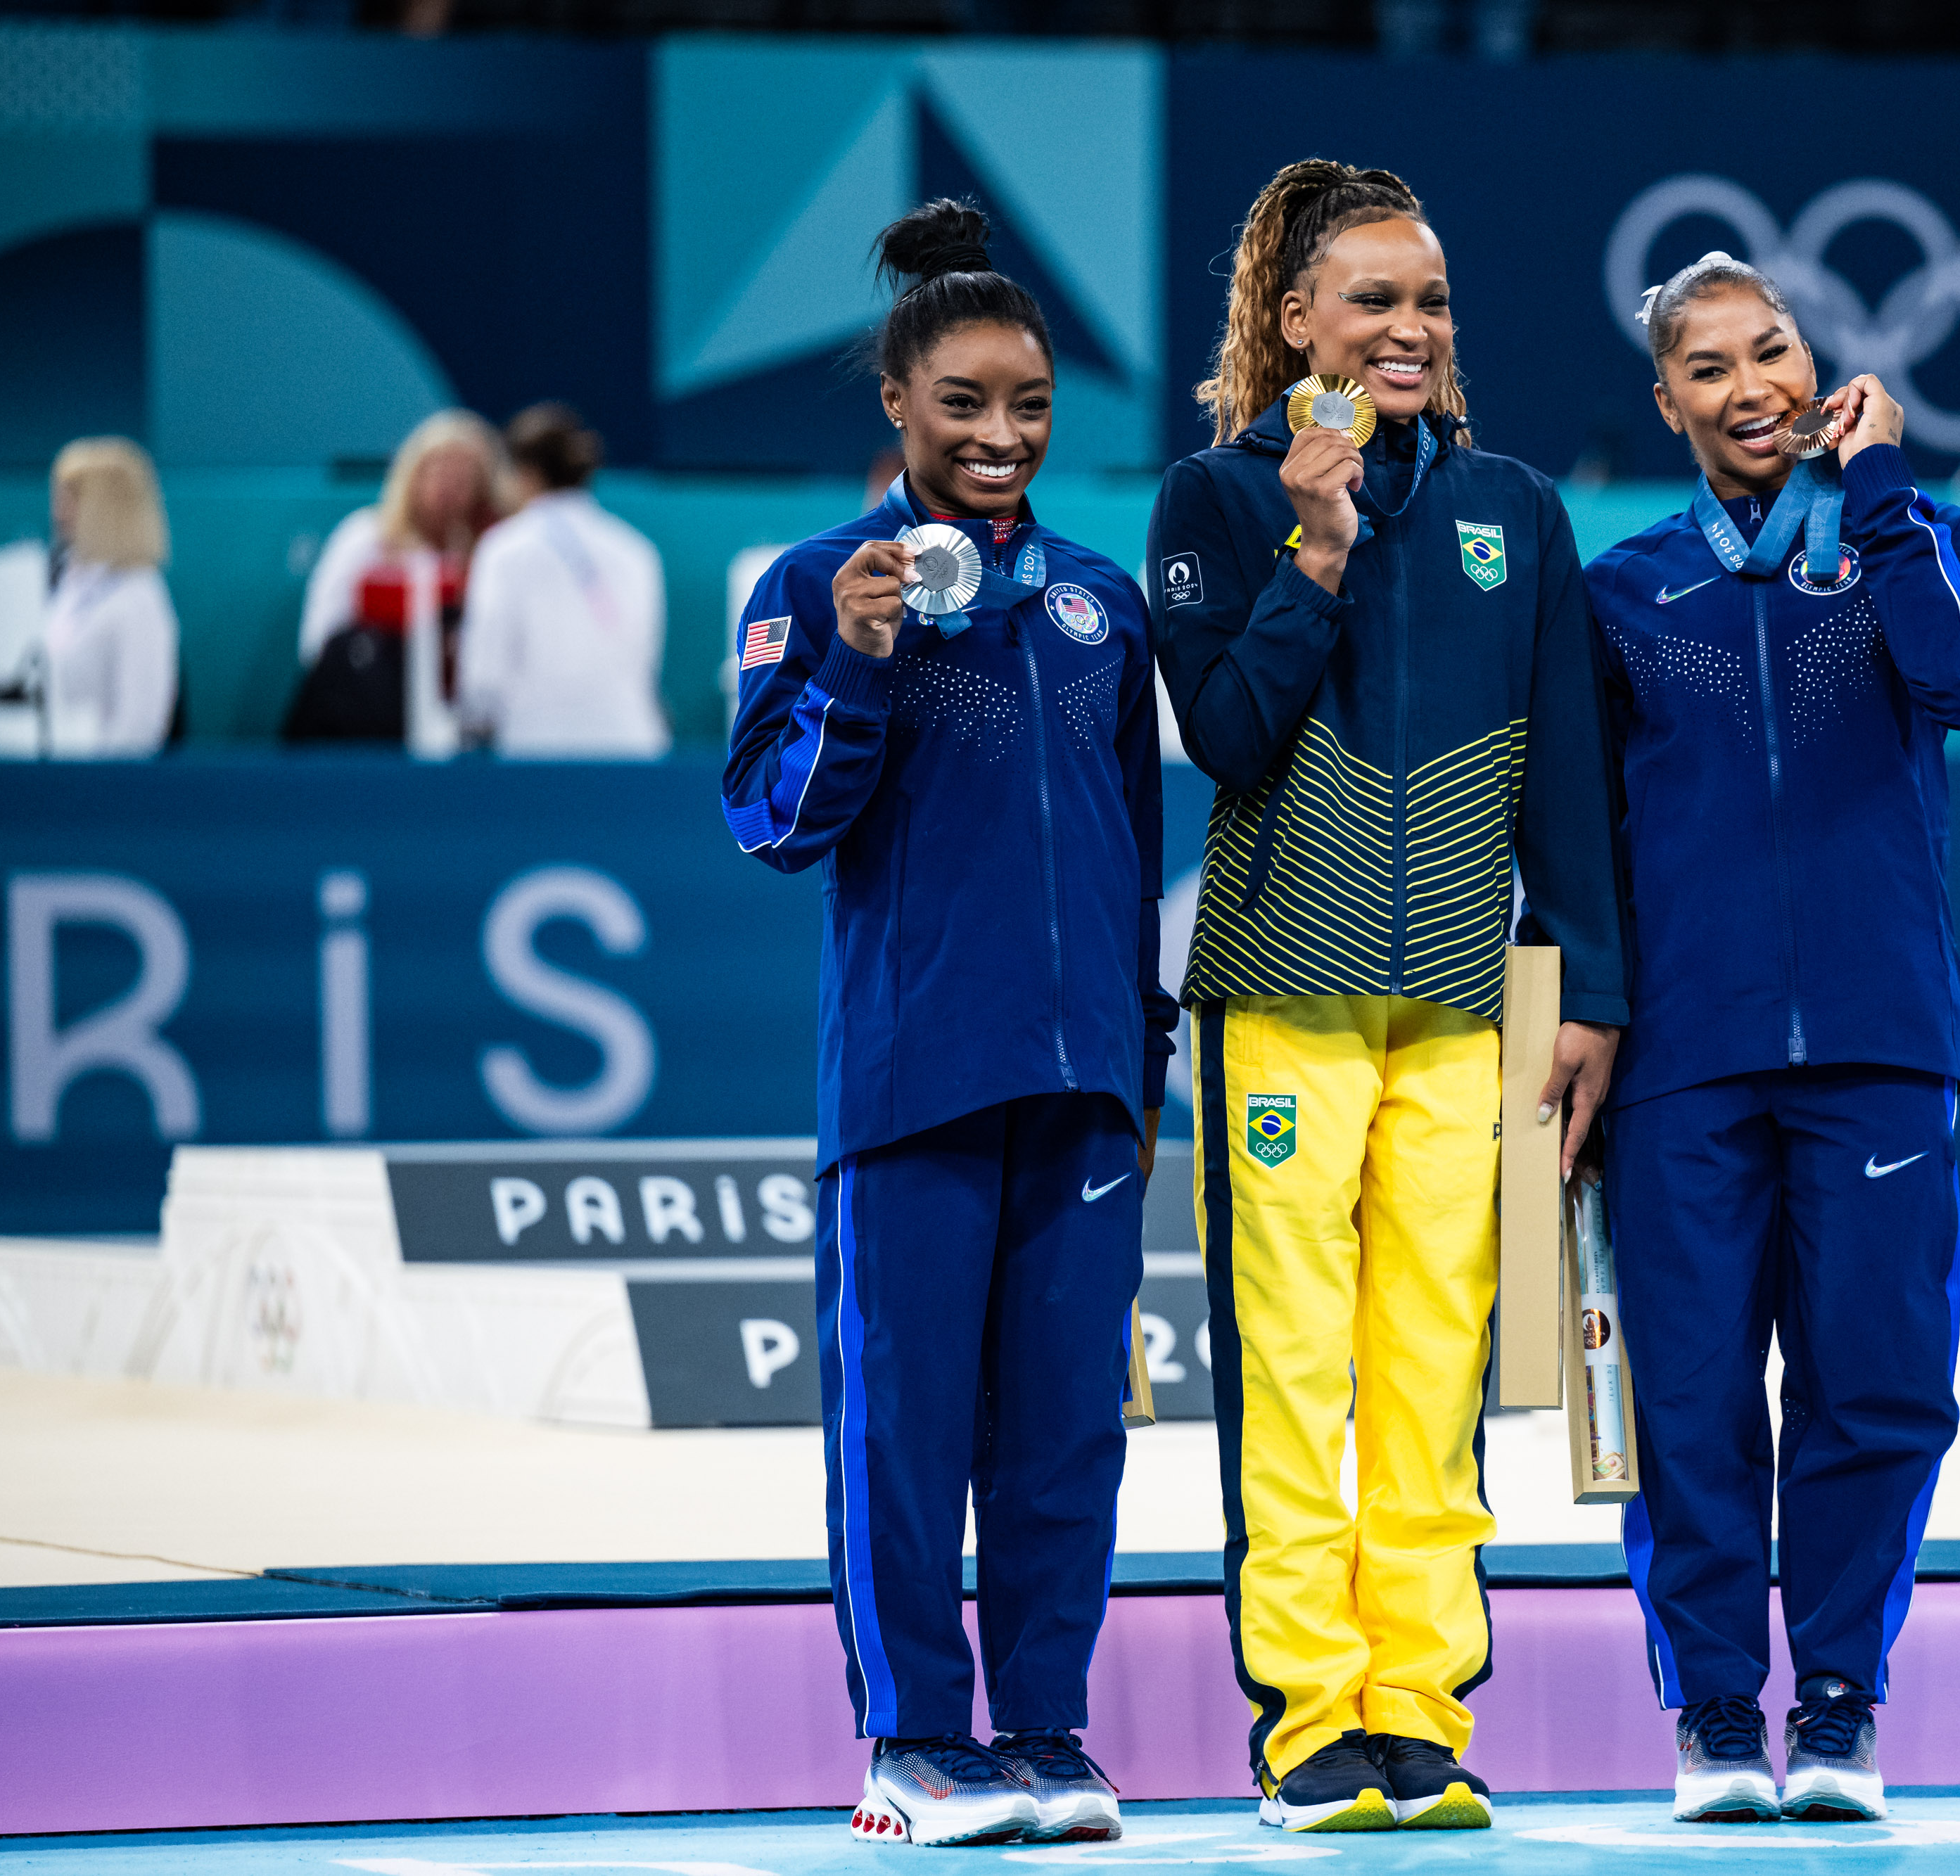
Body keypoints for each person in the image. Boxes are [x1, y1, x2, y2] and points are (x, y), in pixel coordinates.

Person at [1148, 159, 1627, 1835]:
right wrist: (1320, 549)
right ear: (1295, 323)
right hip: (1282, 997)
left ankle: (1419, 1713)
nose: (1407, 327)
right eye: (1371, 299)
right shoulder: (1214, 499)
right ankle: (1304, 1723)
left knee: (1432, 1370)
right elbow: (1223, 739)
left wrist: (1589, 988)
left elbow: (1567, 770)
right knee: (1291, 1376)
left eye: (1427, 300)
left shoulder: (1516, 508)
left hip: (1463, 1011)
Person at [719, 200, 1174, 1849]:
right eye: (966, 403)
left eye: (1031, 405)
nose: (1002, 435)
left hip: (1082, 1088)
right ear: (899, 406)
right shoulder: (813, 586)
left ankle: (1046, 1729)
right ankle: (911, 1741)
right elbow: (772, 822)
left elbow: (1131, 846)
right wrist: (853, 664)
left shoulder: (1099, 604)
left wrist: (1140, 1060)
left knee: (1063, 1431)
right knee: (903, 1434)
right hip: (912, 1081)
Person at [1583, 253, 1960, 1826]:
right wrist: (1584, 1019)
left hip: (1880, 1035)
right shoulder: (1624, 587)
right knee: (1689, 1397)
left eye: (1767, 349)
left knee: (1876, 1382)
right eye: (1706, 368)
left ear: (1815, 357)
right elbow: (1568, 830)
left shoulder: (1915, 535)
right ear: (1667, 403)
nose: (1748, 384)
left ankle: (1836, 1701)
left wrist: (1885, 485)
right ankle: (1712, 1709)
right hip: (1682, 1060)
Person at [458, 403, 670, 758]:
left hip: (538, 752)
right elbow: (646, 661)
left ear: (524, 474)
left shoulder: (503, 549)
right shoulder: (636, 550)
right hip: (631, 746)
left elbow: (484, 677)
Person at [285, 409, 506, 746]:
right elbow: (318, 642)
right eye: (438, 473)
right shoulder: (364, 537)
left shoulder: (492, 555)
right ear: (412, 475)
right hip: (361, 725)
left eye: (463, 478)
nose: (448, 488)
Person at [0, 437, 179, 758]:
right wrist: (2, 659)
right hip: (46, 770)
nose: (58, 512)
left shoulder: (139, 598)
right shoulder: (69, 586)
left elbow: (140, 729)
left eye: (70, 499)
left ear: (107, 508)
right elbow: (48, 685)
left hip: (97, 788)